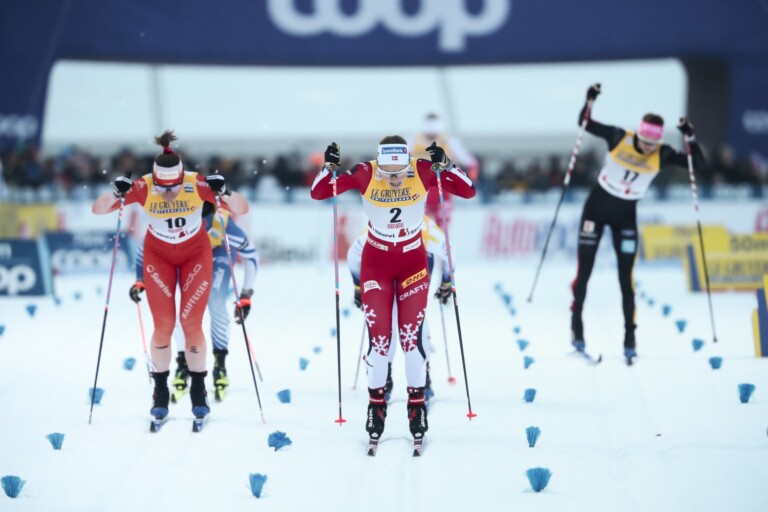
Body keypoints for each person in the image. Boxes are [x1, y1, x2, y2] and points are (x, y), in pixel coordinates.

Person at [311, 136, 475, 451]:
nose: (395, 178)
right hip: (376, 265)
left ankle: (417, 407)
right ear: (379, 164)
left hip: (413, 262)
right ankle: (376, 407)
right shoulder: (365, 172)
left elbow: (468, 191)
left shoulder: (422, 169)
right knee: (381, 342)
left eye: (399, 172)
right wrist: (328, 167)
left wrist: (447, 165)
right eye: (388, 172)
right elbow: (319, 192)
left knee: (412, 340)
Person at [92, 130, 249, 421]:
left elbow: (242, 207)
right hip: (159, 257)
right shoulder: (144, 185)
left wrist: (225, 190)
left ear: (181, 177)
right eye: (162, 187)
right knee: (163, 325)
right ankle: (160, 390)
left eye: (173, 186)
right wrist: (115, 191)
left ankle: (198, 389)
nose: (168, 192)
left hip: (195, 255)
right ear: (155, 178)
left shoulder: (196, 182)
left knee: (191, 323)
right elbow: (98, 209)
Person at [570, 84, 704, 363]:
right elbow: (584, 122)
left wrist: (689, 136)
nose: (647, 148)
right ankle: (577, 325)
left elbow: (697, 163)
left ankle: (630, 336)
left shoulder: (662, 154)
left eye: (652, 144)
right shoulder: (619, 136)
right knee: (585, 272)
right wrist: (589, 100)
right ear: (639, 135)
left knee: (626, 279)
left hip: (625, 218)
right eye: (644, 142)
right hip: (595, 210)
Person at [129, 201, 259, 402]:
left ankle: (220, 364)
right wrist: (140, 279)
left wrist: (246, 295)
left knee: (216, 301)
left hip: (217, 255)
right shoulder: (172, 221)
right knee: (182, 308)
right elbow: (145, 247)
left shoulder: (222, 225)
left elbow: (251, 255)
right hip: (187, 258)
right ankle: (183, 362)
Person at [347, 215, 453, 402]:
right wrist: (446, 281)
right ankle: (417, 377)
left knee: (398, 319)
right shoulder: (423, 222)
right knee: (410, 320)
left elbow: (354, 253)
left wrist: (358, 285)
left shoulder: (382, 220)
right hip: (405, 263)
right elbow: (450, 252)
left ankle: (390, 378)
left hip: (402, 264)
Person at [409, 112, 479, 228]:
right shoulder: (414, 140)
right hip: (421, 188)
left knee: (442, 223)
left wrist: (471, 180)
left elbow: (470, 162)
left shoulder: (449, 141)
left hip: (442, 186)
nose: (432, 135)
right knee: (420, 224)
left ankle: (442, 239)